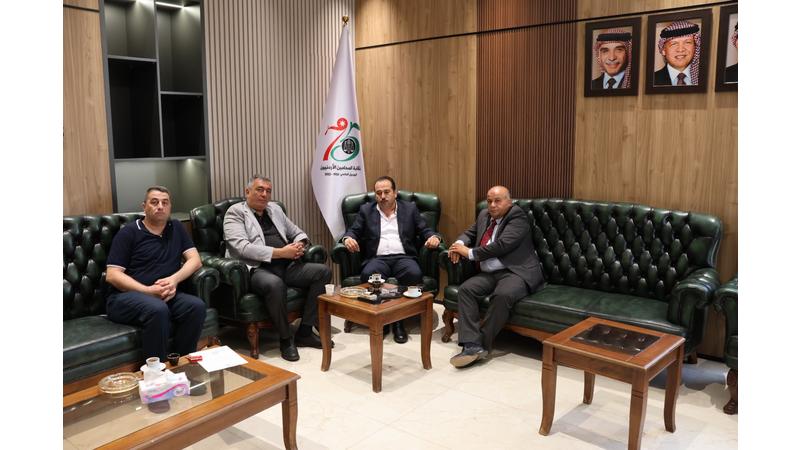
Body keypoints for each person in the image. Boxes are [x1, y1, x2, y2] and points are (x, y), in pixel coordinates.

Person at [224, 175, 332, 361]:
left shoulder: (275, 209)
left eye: (268, 191)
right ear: (247, 192)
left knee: (323, 272)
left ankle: (305, 331)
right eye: (260, 190)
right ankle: (285, 338)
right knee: (275, 284)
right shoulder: (235, 213)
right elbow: (242, 248)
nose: (264, 194)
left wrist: (299, 245)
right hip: (257, 269)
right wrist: (281, 252)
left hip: (287, 265)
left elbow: (298, 232)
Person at [106, 186, 207, 363]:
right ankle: (156, 371)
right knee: (157, 309)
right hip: (125, 297)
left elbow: (195, 260)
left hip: (164, 294)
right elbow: (113, 275)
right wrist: (148, 291)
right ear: (144, 206)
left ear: (170, 206)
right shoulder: (129, 232)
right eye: (154, 202)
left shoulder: (176, 227)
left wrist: (174, 280)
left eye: (165, 202)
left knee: (196, 306)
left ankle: (180, 364)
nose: (160, 206)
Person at [447, 186, 544, 368]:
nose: (492, 205)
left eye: (497, 201)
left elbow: (502, 245)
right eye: (489, 201)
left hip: (515, 271)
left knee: (503, 295)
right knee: (466, 290)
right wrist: (457, 245)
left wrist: (469, 253)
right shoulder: (484, 215)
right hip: (489, 272)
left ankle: (480, 345)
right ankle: (471, 344)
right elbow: (469, 233)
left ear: (509, 202)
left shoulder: (517, 217)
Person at [342, 176, 442, 343]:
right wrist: (348, 239)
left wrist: (433, 237)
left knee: (414, 273)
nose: (382, 196)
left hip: (403, 257)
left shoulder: (409, 209)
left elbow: (425, 229)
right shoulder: (366, 210)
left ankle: (398, 321)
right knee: (368, 274)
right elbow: (354, 230)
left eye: (386, 192)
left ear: (395, 193)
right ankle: (382, 318)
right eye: (378, 193)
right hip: (378, 258)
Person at [653, 20, 702, 86]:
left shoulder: (707, 78)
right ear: (663, 50)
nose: (680, 49)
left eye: (687, 42)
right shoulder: (651, 80)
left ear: (695, 47)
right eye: (674, 44)